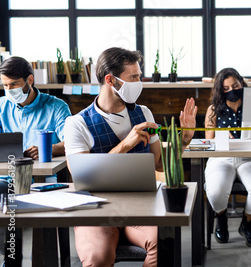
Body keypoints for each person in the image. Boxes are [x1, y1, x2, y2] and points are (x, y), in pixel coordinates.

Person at [64, 47, 197, 266]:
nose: (139, 82)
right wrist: (127, 143)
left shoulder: (144, 113)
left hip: (143, 208)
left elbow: (160, 165)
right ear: (111, 80)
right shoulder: (77, 124)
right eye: (133, 77)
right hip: (97, 213)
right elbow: (82, 176)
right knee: (98, 257)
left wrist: (184, 139)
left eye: (139, 76)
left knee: (164, 247)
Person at [204, 68, 251, 248]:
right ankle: (221, 218)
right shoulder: (213, 109)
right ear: (220, 89)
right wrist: (221, 135)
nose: (231, 90)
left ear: (241, 83)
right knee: (216, 190)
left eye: (235, 85)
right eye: (226, 88)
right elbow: (208, 140)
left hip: (250, 157)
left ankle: (247, 224)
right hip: (221, 157)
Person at [0, 56, 71, 162]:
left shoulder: (57, 107)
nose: (9, 90)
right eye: (5, 85)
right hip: (6, 174)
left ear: (30, 80)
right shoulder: (1, 106)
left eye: (14, 84)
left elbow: (72, 142)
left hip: (43, 174)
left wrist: (47, 149)